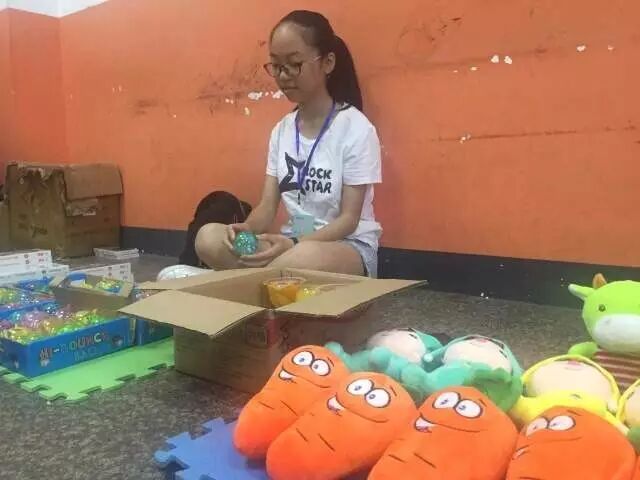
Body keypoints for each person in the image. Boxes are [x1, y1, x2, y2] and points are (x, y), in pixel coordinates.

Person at [195, 10, 382, 277]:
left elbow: (349, 220)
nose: (283, 76)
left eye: (294, 64)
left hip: (344, 247)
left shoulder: (356, 129)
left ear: (327, 62)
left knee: (300, 259)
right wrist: (247, 228)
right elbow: (267, 207)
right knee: (209, 237)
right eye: (276, 66)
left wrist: (294, 244)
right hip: (288, 246)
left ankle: (252, 281)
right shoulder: (282, 130)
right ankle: (262, 281)